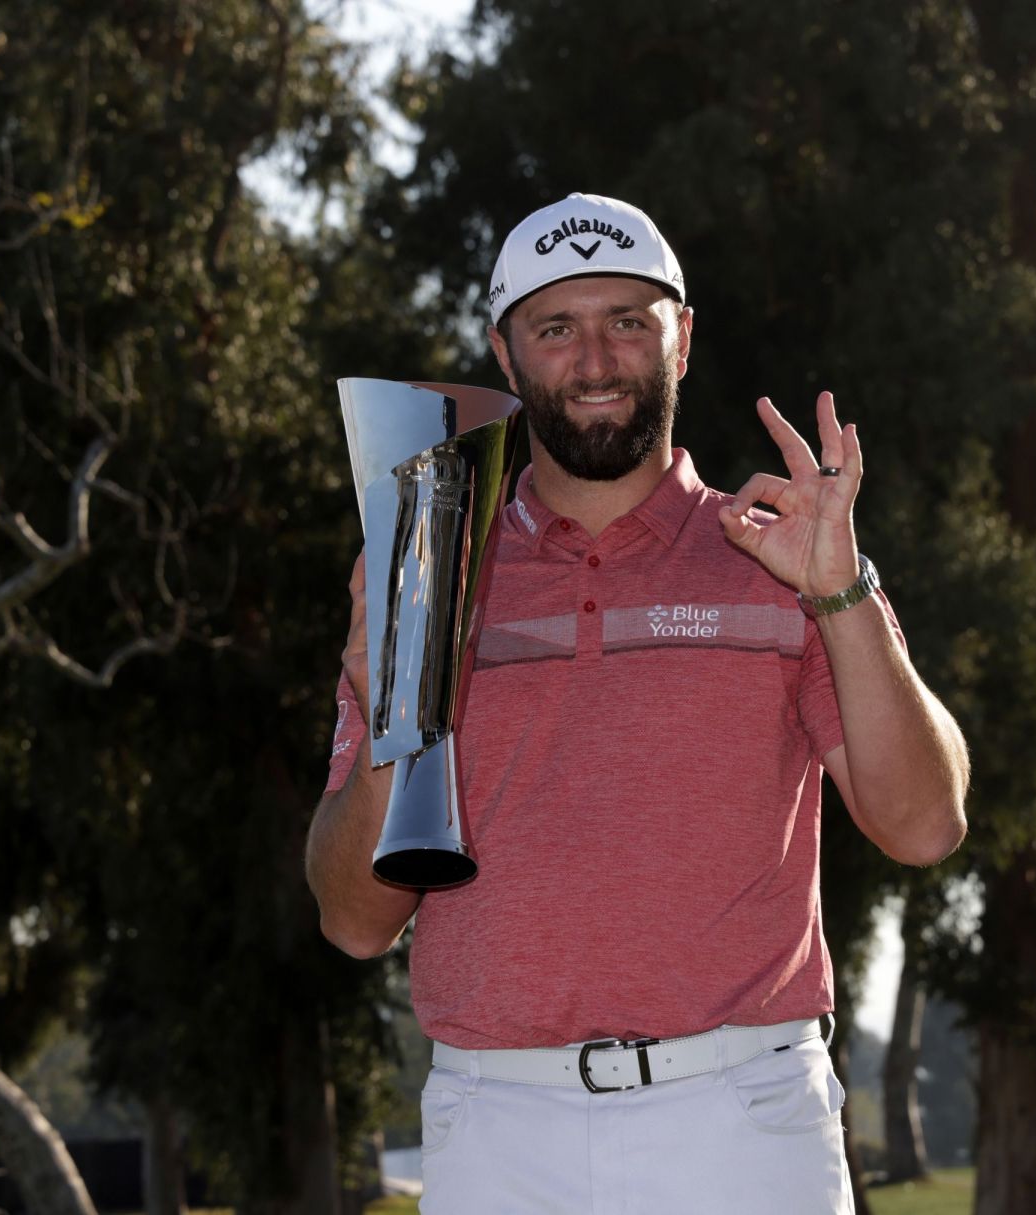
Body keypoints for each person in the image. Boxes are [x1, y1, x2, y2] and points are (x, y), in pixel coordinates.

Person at [307, 192, 969, 1214]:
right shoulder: (428, 569)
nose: (596, 360)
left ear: (684, 337)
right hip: (496, 1128)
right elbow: (355, 920)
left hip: (744, 1122)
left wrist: (844, 589)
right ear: (505, 350)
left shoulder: (784, 552)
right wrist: (392, 703)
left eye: (629, 320)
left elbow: (925, 824)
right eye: (557, 328)